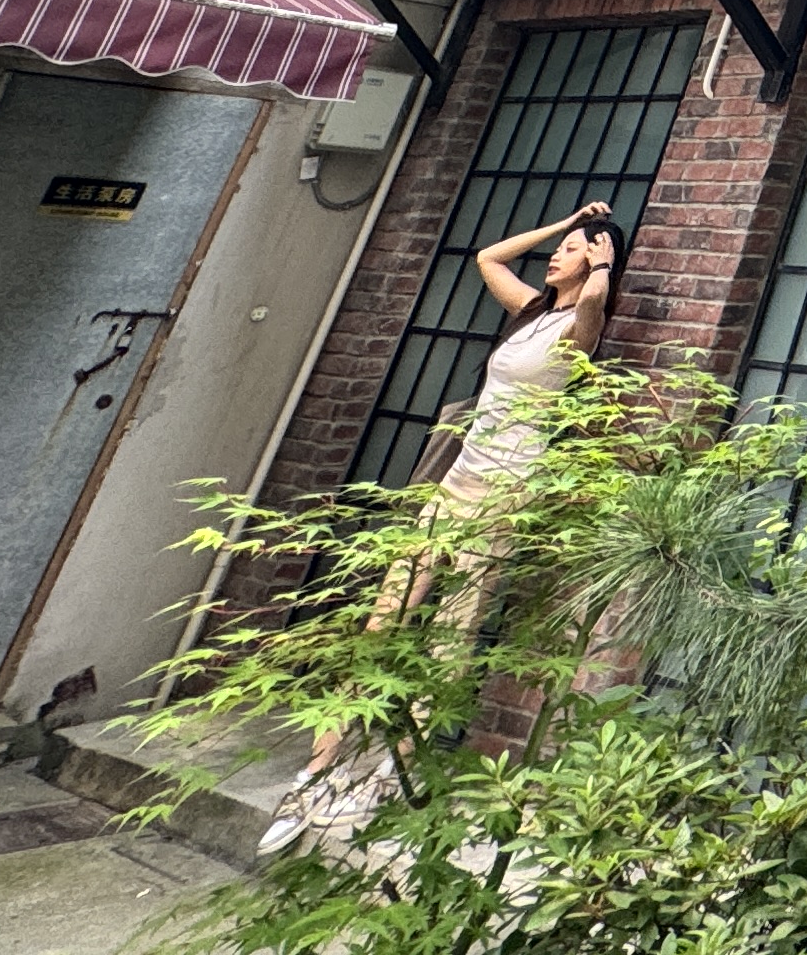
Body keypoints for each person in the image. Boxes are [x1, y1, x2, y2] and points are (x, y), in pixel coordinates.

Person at [261, 203, 621, 855]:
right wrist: (564, 221)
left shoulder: (579, 331)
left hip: (504, 497)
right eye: (561, 247)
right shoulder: (531, 311)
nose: (557, 255)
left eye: (572, 249)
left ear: (595, 260)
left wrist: (602, 264)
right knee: (384, 620)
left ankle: (388, 777)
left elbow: (595, 303)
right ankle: (316, 770)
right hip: (456, 484)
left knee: (450, 638)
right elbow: (488, 257)